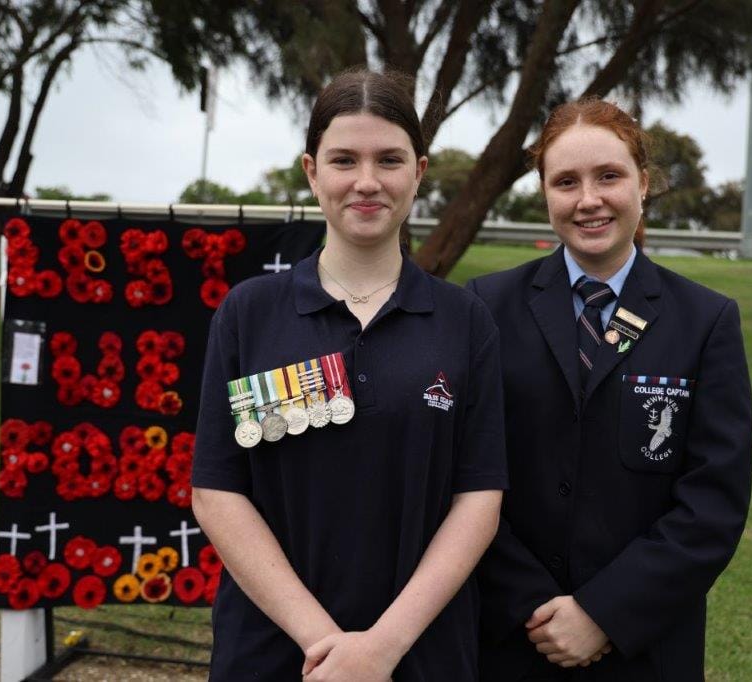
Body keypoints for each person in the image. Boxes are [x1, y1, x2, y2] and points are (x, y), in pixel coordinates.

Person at [191, 69, 507, 681]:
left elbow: (480, 500)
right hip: (273, 652)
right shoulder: (249, 314)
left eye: (389, 160)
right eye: (344, 160)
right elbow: (217, 493)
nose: (367, 182)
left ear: (418, 172)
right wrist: (325, 644)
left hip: (420, 655)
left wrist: (380, 649)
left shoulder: (466, 322)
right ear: (312, 172)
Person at [469, 98, 752, 681]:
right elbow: (463, 476)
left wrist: (604, 613)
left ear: (643, 184)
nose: (589, 199)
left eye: (609, 176)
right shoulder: (484, 308)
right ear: (544, 191)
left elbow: (713, 504)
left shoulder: (705, 321)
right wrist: (531, 606)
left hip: (644, 648)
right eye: (566, 181)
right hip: (509, 641)